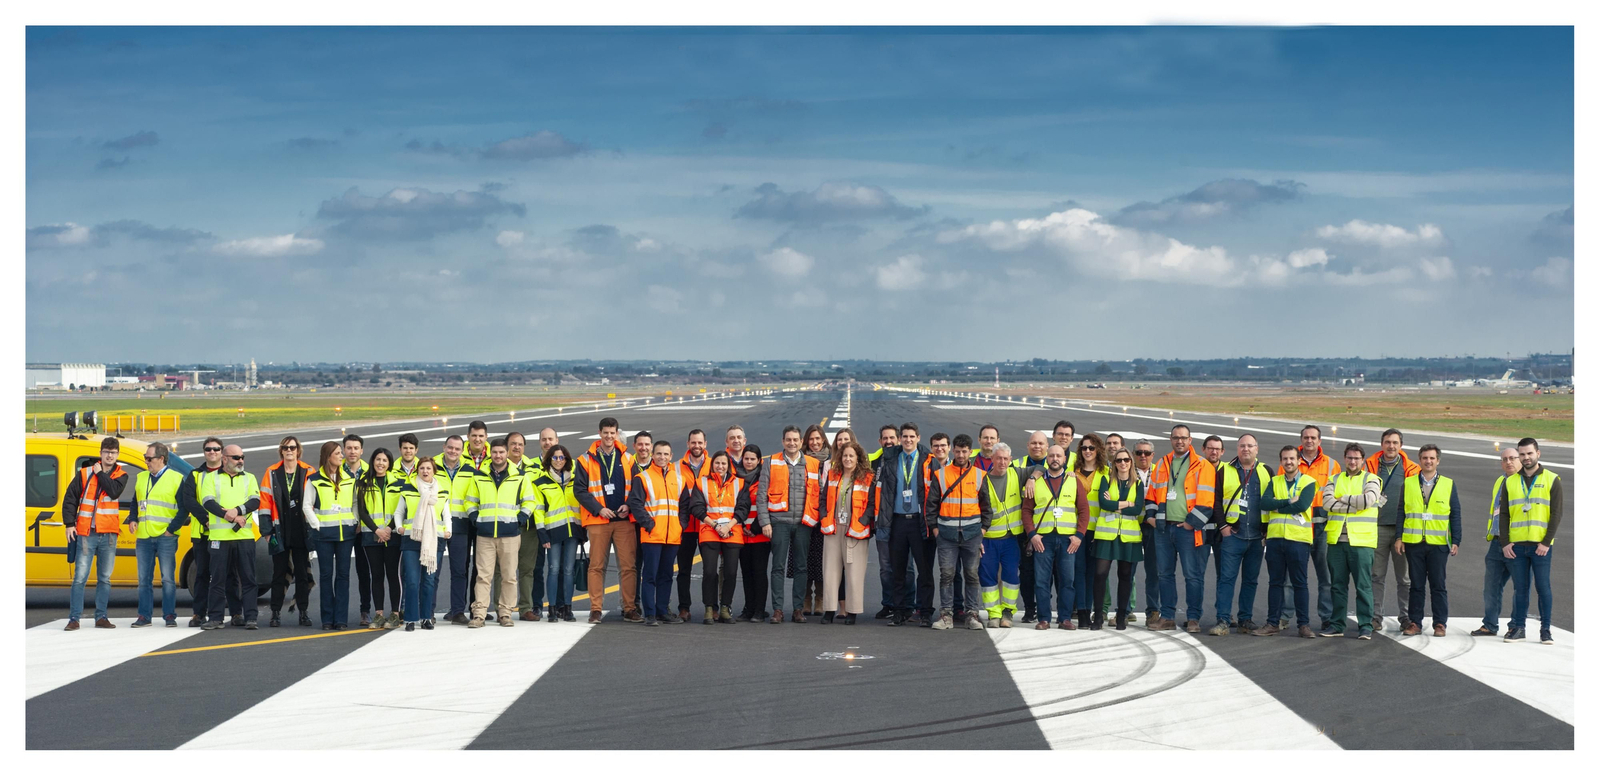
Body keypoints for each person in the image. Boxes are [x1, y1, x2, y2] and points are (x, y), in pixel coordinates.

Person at [1146, 425, 1216, 633]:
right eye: (1176, 438)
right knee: (1165, 574)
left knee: (1192, 575)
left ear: (1190, 440)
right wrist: (1151, 518)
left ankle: (1193, 617)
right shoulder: (1161, 464)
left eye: (1183, 438)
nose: (1179, 441)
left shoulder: (1202, 465)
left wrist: (1190, 523)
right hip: (1164, 528)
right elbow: (1152, 494)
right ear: (1170, 439)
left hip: (1188, 529)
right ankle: (1167, 616)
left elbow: (1207, 501)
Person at [629, 440, 701, 625]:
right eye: (659, 454)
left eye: (666, 454)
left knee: (666, 575)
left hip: (673, 535)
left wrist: (681, 525)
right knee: (650, 575)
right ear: (653, 455)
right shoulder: (643, 477)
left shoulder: (678, 479)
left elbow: (685, 505)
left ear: (671, 456)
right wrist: (649, 524)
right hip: (653, 535)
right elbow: (635, 504)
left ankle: (662, 611)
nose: (662, 457)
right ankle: (650, 614)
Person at [575, 417, 638, 624]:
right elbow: (580, 491)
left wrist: (628, 505)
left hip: (623, 520)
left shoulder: (629, 459)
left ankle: (629, 608)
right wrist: (599, 509)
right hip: (598, 520)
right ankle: (595, 609)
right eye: (605, 432)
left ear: (617, 433)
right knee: (596, 566)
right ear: (599, 433)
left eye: (612, 432)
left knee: (628, 566)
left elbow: (638, 488)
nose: (609, 436)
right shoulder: (585, 459)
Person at [464, 438, 533, 628]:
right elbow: (469, 501)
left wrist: (520, 520)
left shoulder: (520, 476)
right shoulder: (479, 476)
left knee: (509, 576)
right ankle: (479, 614)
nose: (498, 455)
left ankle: (505, 613)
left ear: (507, 453)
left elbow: (530, 501)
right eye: (494, 452)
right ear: (490, 453)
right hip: (485, 534)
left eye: (501, 452)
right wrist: (476, 518)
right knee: (483, 576)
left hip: (510, 534)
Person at [62, 437, 129, 630]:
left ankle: (101, 617)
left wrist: (100, 475)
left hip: (108, 534)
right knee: (80, 578)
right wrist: (69, 524)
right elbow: (70, 499)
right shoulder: (84, 473)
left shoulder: (121, 475)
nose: (110, 456)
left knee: (104, 578)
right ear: (100, 453)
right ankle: (74, 618)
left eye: (113, 453)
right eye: (107, 452)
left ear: (117, 455)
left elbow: (113, 492)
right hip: (86, 532)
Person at [925, 434, 990, 631]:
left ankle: (972, 614)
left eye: (965, 451)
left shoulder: (979, 476)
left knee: (972, 575)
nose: (961, 455)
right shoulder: (941, 475)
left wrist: (982, 532)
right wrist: (936, 531)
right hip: (946, 536)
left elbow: (987, 508)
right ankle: (946, 615)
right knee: (947, 575)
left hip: (971, 536)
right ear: (953, 450)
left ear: (971, 452)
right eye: (958, 451)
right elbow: (931, 507)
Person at [1278, 426, 1339, 633]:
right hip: (1297, 526)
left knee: (1326, 577)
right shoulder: (1290, 460)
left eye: (1313, 437)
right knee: (1290, 577)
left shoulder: (1332, 465)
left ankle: (1327, 617)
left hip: (1322, 527)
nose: (1309, 441)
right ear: (1301, 439)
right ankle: (1284, 616)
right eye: (1306, 437)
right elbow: (1279, 489)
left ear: (1320, 440)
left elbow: (1337, 495)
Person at [757, 425, 822, 623]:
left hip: (803, 523)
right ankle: (778, 610)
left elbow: (817, 494)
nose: (792, 443)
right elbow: (761, 495)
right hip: (779, 523)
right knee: (777, 567)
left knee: (802, 567)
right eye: (788, 440)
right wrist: (765, 522)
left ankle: (798, 609)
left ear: (801, 442)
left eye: (795, 440)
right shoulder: (771, 462)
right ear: (783, 441)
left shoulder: (812, 463)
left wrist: (814, 519)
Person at [1500, 438, 1561, 645]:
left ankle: (1545, 629)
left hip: (1540, 546)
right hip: (1516, 545)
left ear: (1538, 454)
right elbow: (1504, 515)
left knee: (1543, 587)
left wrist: (1546, 542)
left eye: (1529, 453)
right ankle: (1518, 628)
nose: (1526, 458)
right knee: (1520, 588)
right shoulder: (1509, 481)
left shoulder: (1552, 479)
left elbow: (1556, 514)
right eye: (1522, 454)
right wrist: (1505, 543)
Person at [1020, 444, 1088, 629]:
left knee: (1067, 580)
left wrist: (1079, 536)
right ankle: (1044, 618)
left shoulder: (1074, 481)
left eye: (1058, 456)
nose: (1055, 459)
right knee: (1041, 581)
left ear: (1064, 459)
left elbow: (1084, 511)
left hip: (1068, 540)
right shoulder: (1036, 482)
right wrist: (1032, 535)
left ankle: (1064, 618)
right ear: (1046, 459)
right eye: (1051, 456)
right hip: (1043, 540)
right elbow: (1026, 511)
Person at [1210, 434, 1271, 636]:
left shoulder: (1266, 471)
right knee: (1226, 579)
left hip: (1256, 538)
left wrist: (1266, 531)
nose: (1246, 449)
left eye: (1250, 446)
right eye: (1242, 446)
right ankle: (1223, 620)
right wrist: (1222, 527)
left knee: (1251, 580)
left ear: (1257, 449)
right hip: (1233, 536)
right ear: (1237, 449)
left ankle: (1245, 619)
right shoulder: (1224, 471)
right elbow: (1216, 501)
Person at [1253, 446, 1316, 638]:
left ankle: (1304, 625)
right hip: (1275, 539)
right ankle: (1272, 623)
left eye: (1292, 459)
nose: (1288, 462)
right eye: (1285, 459)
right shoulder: (1274, 481)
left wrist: (1278, 505)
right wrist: (1287, 502)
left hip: (1298, 539)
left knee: (1299, 583)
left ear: (1298, 461)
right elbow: (1264, 503)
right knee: (1275, 583)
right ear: (1281, 462)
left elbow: (1303, 504)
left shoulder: (1309, 482)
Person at [877, 425, 937, 627]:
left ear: (918, 438)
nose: (908, 440)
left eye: (912, 436)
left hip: (920, 521)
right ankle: (900, 611)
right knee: (898, 570)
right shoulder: (891, 459)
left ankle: (925, 611)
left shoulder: (929, 461)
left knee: (924, 570)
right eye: (905, 436)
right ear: (900, 438)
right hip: (898, 521)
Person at [1398, 444, 1461, 637]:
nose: (1428, 461)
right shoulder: (1408, 483)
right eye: (1425, 458)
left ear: (1438, 461)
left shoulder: (1448, 484)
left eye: (1432, 458)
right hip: (1414, 542)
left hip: (1439, 543)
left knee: (1438, 584)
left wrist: (1456, 539)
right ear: (1419, 460)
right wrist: (1399, 537)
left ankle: (1440, 623)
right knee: (1416, 585)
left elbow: (1455, 514)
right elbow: (1401, 511)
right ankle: (1415, 622)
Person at [1321, 443, 1383, 640]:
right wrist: (1354, 504)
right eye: (1349, 457)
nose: (1353, 461)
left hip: (1362, 542)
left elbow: (1369, 500)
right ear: (1344, 458)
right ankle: (1337, 624)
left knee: (1363, 585)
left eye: (1356, 458)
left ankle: (1366, 625)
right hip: (1336, 541)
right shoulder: (1334, 479)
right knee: (1337, 586)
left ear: (1362, 460)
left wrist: (1343, 498)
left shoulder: (1372, 479)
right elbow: (1327, 503)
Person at [177, 437, 240, 627]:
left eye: (216, 449)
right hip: (203, 534)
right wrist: (205, 519)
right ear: (204, 452)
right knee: (202, 574)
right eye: (208, 449)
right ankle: (199, 614)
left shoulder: (232, 474)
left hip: (225, 533)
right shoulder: (195, 475)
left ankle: (236, 613)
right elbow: (188, 500)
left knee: (229, 574)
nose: (212, 452)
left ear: (222, 452)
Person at [200, 444, 262, 630]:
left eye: (242, 456)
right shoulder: (211, 478)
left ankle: (251, 617)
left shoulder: (249, 478)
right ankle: (216, 617)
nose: (240, 460)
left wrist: (237, 510)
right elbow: (207, 501)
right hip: (220, 537)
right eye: (236, 457)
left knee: (248, 578)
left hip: (244, 536)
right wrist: (226, 515)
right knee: (218, 579)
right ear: (224, 459)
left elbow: (255, 501)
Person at [1364, 428, 1418, 633]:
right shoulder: (1369, 466)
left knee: (1404, 578)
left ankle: (1406, 616)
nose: (1391, 446)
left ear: (1401, 446)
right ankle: (1375, 617)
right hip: (1375, 527)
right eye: (1387, 442)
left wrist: (1404, 533)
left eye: (1395, 443)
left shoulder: (1411, 468)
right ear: (1382, 444)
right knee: (1376, 575)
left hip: (1401, 531)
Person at [260, 436, 315, 627]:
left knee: (302, 574)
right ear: (281, 451)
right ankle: (275, 613)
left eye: (292, 447)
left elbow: (315, 502)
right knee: (279, 573)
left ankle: (303, 612)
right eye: (285, 447)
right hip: (279, 530)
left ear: (298, 450)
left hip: (301, 530)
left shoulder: (308, 471)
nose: (289, 450)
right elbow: (265, 503)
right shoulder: (272, 472)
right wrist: (267, 532)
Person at [820, 441, 876, 625]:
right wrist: (823, 517)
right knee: (830, 572)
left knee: (854, 573)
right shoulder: (833, 475)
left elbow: (872, 504)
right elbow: (822, 499)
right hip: (833, 528)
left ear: (858, 458)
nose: (848, 459)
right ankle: (829, 610)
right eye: (845, 456)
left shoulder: (868, 477)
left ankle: (853, 611)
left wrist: (863, 522)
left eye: (852, 456)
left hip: (856, 531)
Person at [305, 441, 358, 630]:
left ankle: (341, 619)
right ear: (328, 456)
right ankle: (327, 619)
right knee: (326, 576)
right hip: (324, 536)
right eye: (337, 453)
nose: (342, 455)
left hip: (346, 534)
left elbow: (354, 502)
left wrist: (355, 521)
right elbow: (306, 505)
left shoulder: (349, 477)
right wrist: (317, 526)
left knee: (343, 576)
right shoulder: (314, 479)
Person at [1471, 447, 1522, 638]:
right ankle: (1490, 624)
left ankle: (1516, 625)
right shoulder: (1500, 481)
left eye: (1512, 458)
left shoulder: (1525, 482)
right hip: (1497, 542)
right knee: (1491, 586)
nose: (1508, 462)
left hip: (1519, 543)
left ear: (1520, 460)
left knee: (1520, 588)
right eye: (1504, 459)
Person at [130, 442, 183, 627]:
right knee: (144, 579)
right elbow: (135, 500)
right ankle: (144, 616)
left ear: (161, 459)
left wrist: (172, 529)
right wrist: (132, 518)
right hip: (144, 536)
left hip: (165, 536)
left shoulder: (176, 479)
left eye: (149, 458)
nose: (146, 462)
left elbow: (183, 509)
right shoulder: (141, 477)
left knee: (167, 578)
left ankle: (169, 615)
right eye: (145, 458)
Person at [395, 456, 451, 630]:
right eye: (422, 468)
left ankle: (426, 617)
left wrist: (449, 529)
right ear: (417, 470)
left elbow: (447, 514)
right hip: (411, 539)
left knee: (429, 581)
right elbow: (398, 512)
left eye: (428, 468)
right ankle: (410, 619)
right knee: (411, 580)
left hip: (434, 541)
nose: (425, 471)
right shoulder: (408, 489)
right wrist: (399, 527)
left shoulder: (442, 492)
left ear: (433, 471)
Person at [1094, 443, 1145, 630]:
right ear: (1114, 463)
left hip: (1128, 538)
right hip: (1106, 535)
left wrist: (1115, 504)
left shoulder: (1138, 484)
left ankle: (1122, 616)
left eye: (1126, 460)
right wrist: (1125, 503)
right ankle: (1098, 616)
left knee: (1125, 576)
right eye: (1119, 460)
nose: (1123, 463)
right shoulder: (1105, 480)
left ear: (1131, 462)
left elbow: (1137, 508)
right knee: (1100, 575)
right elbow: (1103, 504)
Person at [433, 435, 480, 624]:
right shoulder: (432, 469)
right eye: (450, 447)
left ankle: (457, 611)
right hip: (437, 526)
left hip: (460, 526)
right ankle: (428, 610)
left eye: (457, 449)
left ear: (463, 451)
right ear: (444, 447)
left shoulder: (470, 471)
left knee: (459, 570)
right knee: (432, 571)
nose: (453, 451)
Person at [532, 444, 581, 622]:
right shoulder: (540, 482)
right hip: (552, 531)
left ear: (567, 460)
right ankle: (552, 608)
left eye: (562, 457)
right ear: (549, 459)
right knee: (553, 569)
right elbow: (538, 510)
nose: (559, 461)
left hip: (572, 531)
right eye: (555, 457)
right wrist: (542, 532)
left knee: (568, 570)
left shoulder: (576, 480)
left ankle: (567, 608)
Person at [1067, 434, 1110, 628]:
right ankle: (1082, 611)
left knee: (1094, 574)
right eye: (1084, 448)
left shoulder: (1107, 473)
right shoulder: (1071, 472)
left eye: (1092, 448)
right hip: (1077, 531)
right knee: (1079, 571)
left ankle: (1093, 610)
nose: (1088, 451)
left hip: (1098, 530)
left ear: (1098, 450)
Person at [696, 451, 744, 624]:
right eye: (717, 463)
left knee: (730, 572)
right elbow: (697, 507)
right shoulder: (702, 482)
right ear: (712, 464)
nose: (720, 466)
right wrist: (716, 526)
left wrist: (728, 526)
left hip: (732, 531)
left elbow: (742, 508)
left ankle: (725, 608)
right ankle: (709, 608)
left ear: (728, 466)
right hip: (710, 530)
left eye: (724, 463)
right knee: (709, 571)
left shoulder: (739, 483)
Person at [357, 448, 402, 629]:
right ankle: (379, 614)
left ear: (389, 463)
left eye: (384, 460)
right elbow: (362, 511)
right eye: (377, 459)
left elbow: (401, 509)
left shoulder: (398, 483)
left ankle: (395, 614)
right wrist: (377, 530)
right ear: (372, 461)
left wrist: (388, 530)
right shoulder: (363, 483)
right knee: (376, 575)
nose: (381, 463)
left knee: (393, 574)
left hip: (392, 536)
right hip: (371, 537)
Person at [872, 424, 914, 618]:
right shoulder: (874, 463)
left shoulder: (904, 459)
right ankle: (888, 603)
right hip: (882, 522)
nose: (888, 441)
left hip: (900, 521)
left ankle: (908, 604)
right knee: (885, 567)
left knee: (906, 566)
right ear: (880, 441)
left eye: (892, 438)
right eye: (885, 438)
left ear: (898, 440)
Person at [979, 442, 1022, 627]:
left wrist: (1032, 478)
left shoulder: (1017, 473)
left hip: (1011, 539)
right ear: (992, 459)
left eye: (1006, 458)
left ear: (1010, 460)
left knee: (1011, 576)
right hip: (988, 539)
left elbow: (1037, 467)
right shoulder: (983, 480)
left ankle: (1007, 612)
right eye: (999, 458)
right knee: (987, 578)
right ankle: (993, 613)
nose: (1002, 462)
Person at [1010, 431, 1051, 623]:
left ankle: (1045, 606)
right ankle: (1029, 608)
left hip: (1047, 529)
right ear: (1027, 445)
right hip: (1022, 529)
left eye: (1041, 443)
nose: (1037, 446)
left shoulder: (1055, 463)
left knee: (1047, 572)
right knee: (1025, 571)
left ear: (1047, 446)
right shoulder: (1016, 465)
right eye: (1033, 443)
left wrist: (1034, 476)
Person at [507, 431, 546, 622]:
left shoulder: (534, 469)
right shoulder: (496, 467)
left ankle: (525, 608)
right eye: (513, 444)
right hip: (505, 526)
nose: (516, 447)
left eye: (520, 444)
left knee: (527, 569)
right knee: (503, 570)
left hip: (528, 526)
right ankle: (503, 609)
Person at [674, 429, 711, 622]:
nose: (696, 446)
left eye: (700, 442)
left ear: (705, 444)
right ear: (688, 444)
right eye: (693, 443)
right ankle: (684, 607)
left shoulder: (715, 464)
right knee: (684, 570)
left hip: (708, 525)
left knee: (709, 570)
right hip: (686, 526)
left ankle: (710, 607)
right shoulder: (676, 467)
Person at [342, 434, 376, 627]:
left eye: (356, 448)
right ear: (344, 450)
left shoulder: (369, 472)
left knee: (364, 571)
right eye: (349, 448)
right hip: (344, 527)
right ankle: (341, 611)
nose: (352, 451)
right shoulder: (337, 471)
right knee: (342, 571)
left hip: (364, 529)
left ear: (362, 450)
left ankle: (365, 610)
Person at [734, 445, 771, 622]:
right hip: (741, 533)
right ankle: (748, 608)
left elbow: (768, 504)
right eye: (746, 459)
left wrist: (756, 526)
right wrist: (740, 526)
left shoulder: (764, 479)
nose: (748, 462)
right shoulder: (736, 479)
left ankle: (759, 609)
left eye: (752, 459)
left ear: (759, 461)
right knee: (746, 573)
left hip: (759, 534)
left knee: (759, 572)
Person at [798, 424, 830, 617]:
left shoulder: (831, 460)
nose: (815, 442)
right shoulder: (801, 460)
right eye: (811, 439)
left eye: (818, 439)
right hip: (804, 515)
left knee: (821, 560)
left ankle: (819, 598)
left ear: (824, 440)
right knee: (804, 559)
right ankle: (805, 599)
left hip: (824, 516)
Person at [1132, 438, 1158, 626]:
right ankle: (1124, 610)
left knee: (1153, 571)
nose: (1143, 456)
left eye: (1146, 453)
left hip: (1153, 526)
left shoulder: (1160, 472)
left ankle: (1153, 611)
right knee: (1127, 570)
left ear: (1152, 455)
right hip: (1131, 525)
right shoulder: (1125, 470)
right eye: (1139, 452)